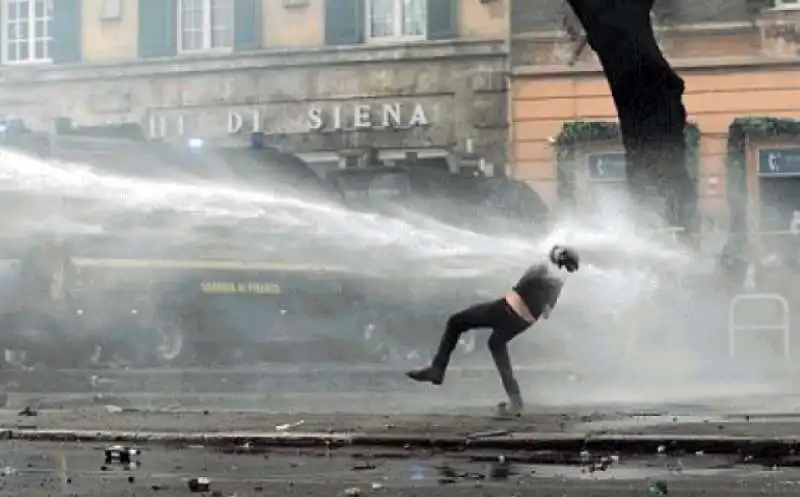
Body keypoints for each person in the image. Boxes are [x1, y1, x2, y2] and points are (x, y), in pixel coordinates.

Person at [405, 244, 580, 416]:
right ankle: (516, 399)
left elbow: (521, 283)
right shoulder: (557, 284)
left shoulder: (542, 268)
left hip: (504, 310)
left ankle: (437, 371)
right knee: (496, 344)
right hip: (519, 323)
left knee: (455, 322)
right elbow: (547, 313)